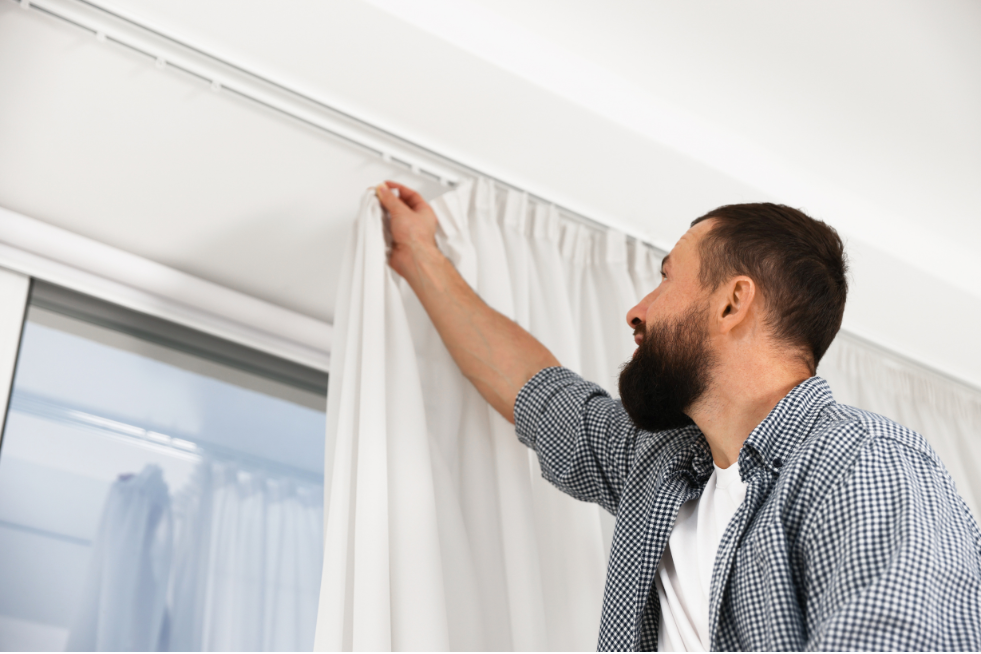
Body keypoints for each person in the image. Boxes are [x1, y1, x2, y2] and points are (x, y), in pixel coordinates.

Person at [375, 181, 981, 651]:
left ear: (732, 301)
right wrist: (421, 258)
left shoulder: (865, 464)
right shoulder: (661, 468)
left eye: (666, 277)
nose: (637, 310)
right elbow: (538, 394)